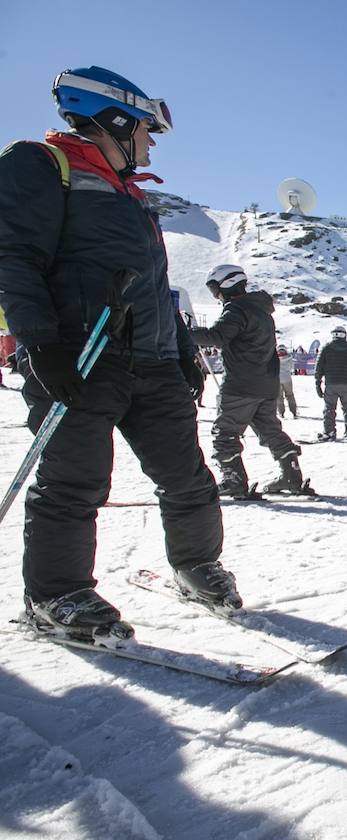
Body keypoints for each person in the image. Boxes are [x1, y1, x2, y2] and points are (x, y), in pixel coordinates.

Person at [0, 65, 238, 631]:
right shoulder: (41, 165)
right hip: (82, 357)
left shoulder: (131, 195)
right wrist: (43, 344)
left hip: (152, 362)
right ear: (114, 119)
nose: (151, 144)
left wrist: (182, 347)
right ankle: (57, 596)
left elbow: (150, 283)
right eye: (146, 130)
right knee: (75, 481)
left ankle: (197, 565)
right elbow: (11, 257)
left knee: (188, 476)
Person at [192, 265, 307, 496]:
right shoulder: (261, 310)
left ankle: (233, 480)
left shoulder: (236, 310)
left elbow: (218, 337)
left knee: (225, 433)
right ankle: (291, 476)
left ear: (225, 285)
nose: (216, 296)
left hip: (240, 385)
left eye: (215, 290)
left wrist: (183, 332)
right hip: (266, 385)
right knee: (271, 431)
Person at [315, 326, 347, 440]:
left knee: (329, 408)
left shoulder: (326, 348)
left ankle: (329, 432)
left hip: (331, 383)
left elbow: (319, 366)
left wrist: (318, 382)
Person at [276, 344, 298, 419]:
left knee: (279, 396)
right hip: (287, 379)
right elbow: (292, 368)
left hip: (277, 379)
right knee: (290, 395)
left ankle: (281, 412)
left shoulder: (275, 358)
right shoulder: (289, 358)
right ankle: (294, 412)